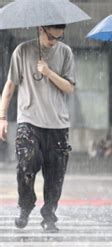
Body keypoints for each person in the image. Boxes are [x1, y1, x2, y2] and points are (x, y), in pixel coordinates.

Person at [0, 24, 76, 233]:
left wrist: (49, 72)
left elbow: (70, 87)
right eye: (51, 36)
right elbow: (10, 85)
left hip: (58, 124)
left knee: (55, 175)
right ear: (40, 29)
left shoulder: (65, 52)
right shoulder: (22, 51)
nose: (54, 41)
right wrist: (2, 117)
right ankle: (25, 205)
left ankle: (49, 216)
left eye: (59, 37)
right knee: (27, 163)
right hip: (29, 121)